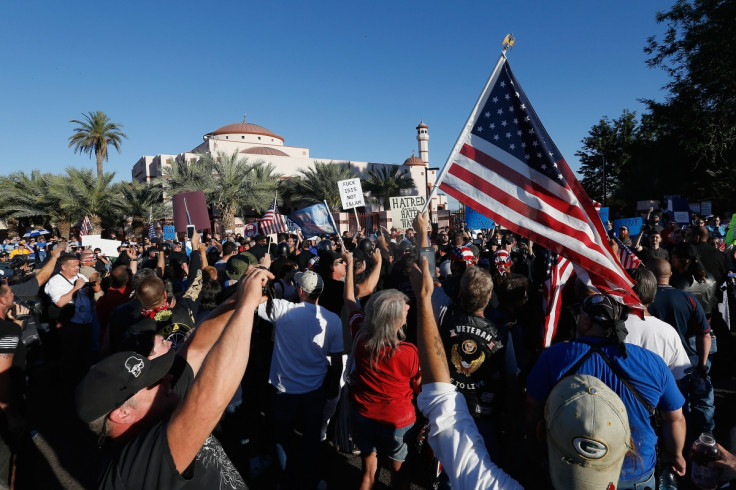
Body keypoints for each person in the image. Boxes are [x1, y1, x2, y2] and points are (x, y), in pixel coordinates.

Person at [409, 255, 631, 489]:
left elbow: (427, 286)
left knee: (456, 466)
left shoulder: (444, 314)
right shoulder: (504, 334)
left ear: (462, 295)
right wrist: (512, 415)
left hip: (452, 408)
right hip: (486, 415)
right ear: (489, 298)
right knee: (482, 463)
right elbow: (512, 380)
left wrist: (423, 235)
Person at [74, 266, 273, 489]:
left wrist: (241, 295)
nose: (167, 379)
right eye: (154, 381)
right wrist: (245, 309)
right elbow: (209, 402)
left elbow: (196, 345)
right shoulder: (131, 466)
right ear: (123, 413)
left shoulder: (158, 404)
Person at [526, 293, 686, 488]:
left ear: (585, 321)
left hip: (574, 472)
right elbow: (675, 418)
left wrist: (535, 446)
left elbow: (532, 406)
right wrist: (675, 454)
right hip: (636, 472)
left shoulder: (555, 356)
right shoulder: (653, 363)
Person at [256, 269, 343, 490]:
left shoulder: (282, 309)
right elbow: (336, 359)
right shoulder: (332, 319)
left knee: (283, 437)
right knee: (311, 438)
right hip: (315, 390)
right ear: (320, 292)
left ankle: (286, 481)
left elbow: (254, 301)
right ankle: (311, 480)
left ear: (300, 290)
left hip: (283, 389)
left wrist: (262, 275)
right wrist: (334, 385)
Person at [344, 252, 420, 490]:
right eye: (405, 312)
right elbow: (419, 388)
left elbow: (349, 299)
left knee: (367, 472)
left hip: (364, 412)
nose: (408, 313)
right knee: (399, 476)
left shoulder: (360, 335)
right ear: (395, 320)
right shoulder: (407, 352)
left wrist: (348, 266)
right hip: (397, 420)